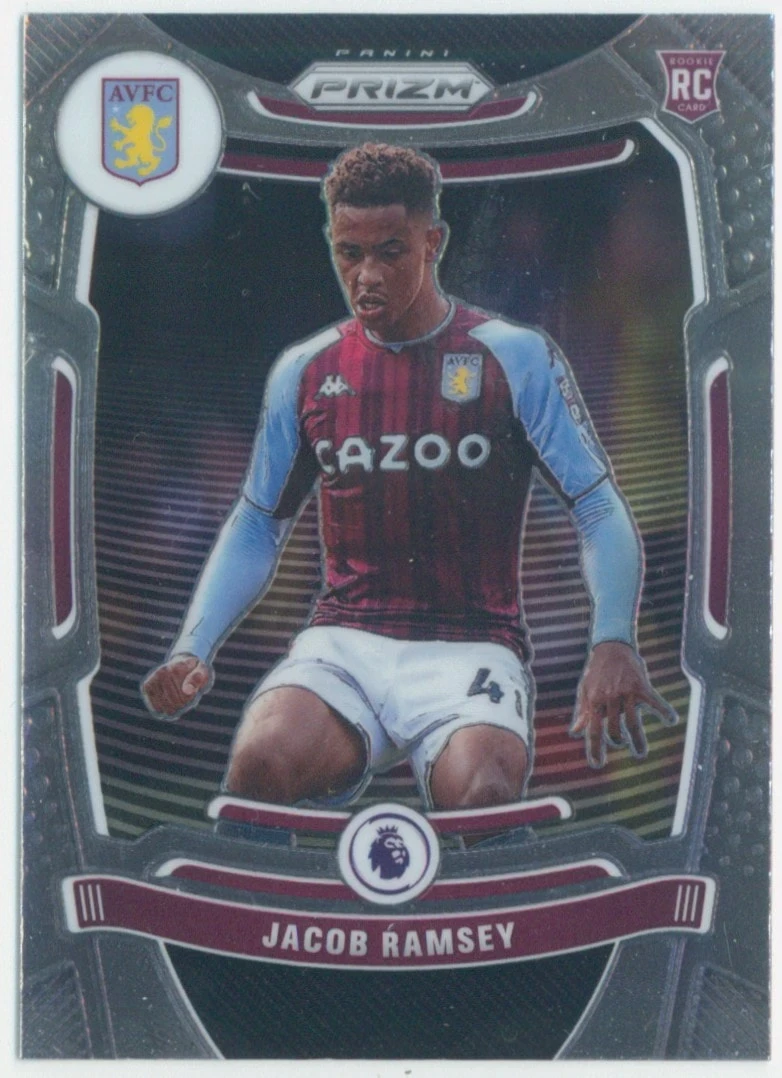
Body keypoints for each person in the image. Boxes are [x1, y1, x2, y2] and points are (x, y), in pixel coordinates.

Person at [142, 142, 676, 812]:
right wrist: (193, 646)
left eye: (390, 251)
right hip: (346, 643)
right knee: (258, 764)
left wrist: (614, 638)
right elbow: (256, 522)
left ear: (433, 242)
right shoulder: (304, 370)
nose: (366, 275)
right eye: (349, 252)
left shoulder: (513, 356)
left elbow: (597, 508)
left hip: (472, 646)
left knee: (482, 793)